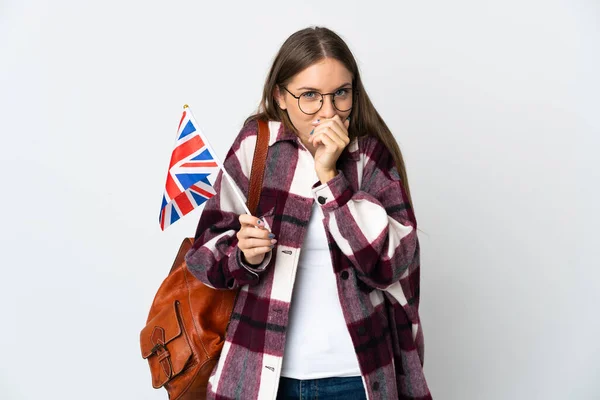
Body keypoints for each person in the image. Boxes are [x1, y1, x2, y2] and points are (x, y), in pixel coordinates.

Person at [185, 26, 431, 400]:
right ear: (280, 96)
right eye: (310, 96)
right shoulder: (257, 147)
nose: (328, 111)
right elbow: (203, 256)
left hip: (358, 377)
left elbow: (390, 263)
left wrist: (330, 177)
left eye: (340, 94)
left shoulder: (369, 157)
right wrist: (242, 255)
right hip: (262, 378)